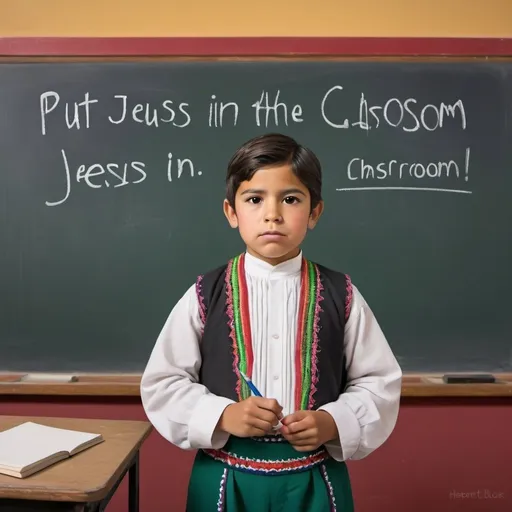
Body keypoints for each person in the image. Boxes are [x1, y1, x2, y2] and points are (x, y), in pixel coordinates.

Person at [140, 133, 402, 511]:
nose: (272, 213)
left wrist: (332, 422)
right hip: (225, 482)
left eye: (291, 199)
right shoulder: (205, 293)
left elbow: (379, 382)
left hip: (316, 480)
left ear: (315, 212)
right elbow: (163, 382)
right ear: (232, 212)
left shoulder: (341, 293)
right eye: (254, 199)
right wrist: (224, 414)